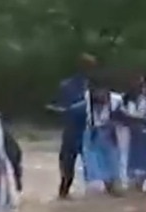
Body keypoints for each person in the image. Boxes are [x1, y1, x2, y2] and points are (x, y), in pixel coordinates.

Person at [51, 54, 96, 199]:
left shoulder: (93, 86)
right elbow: (61, 108)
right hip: (77, 131)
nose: (89, 70)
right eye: (88, 67)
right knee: (68, 171)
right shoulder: (69, 86)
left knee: (92, 171)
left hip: (87, 131)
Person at [77, 81, 125, 194]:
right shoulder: (85, 98)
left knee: (113, 161)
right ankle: (102, 184)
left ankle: (113, 185)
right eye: (96, 91)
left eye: (101, 90)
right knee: (93, 162)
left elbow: (121, 118)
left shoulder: (116, 100)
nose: (99, 94)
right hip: (91, 133)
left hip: (110, 133)